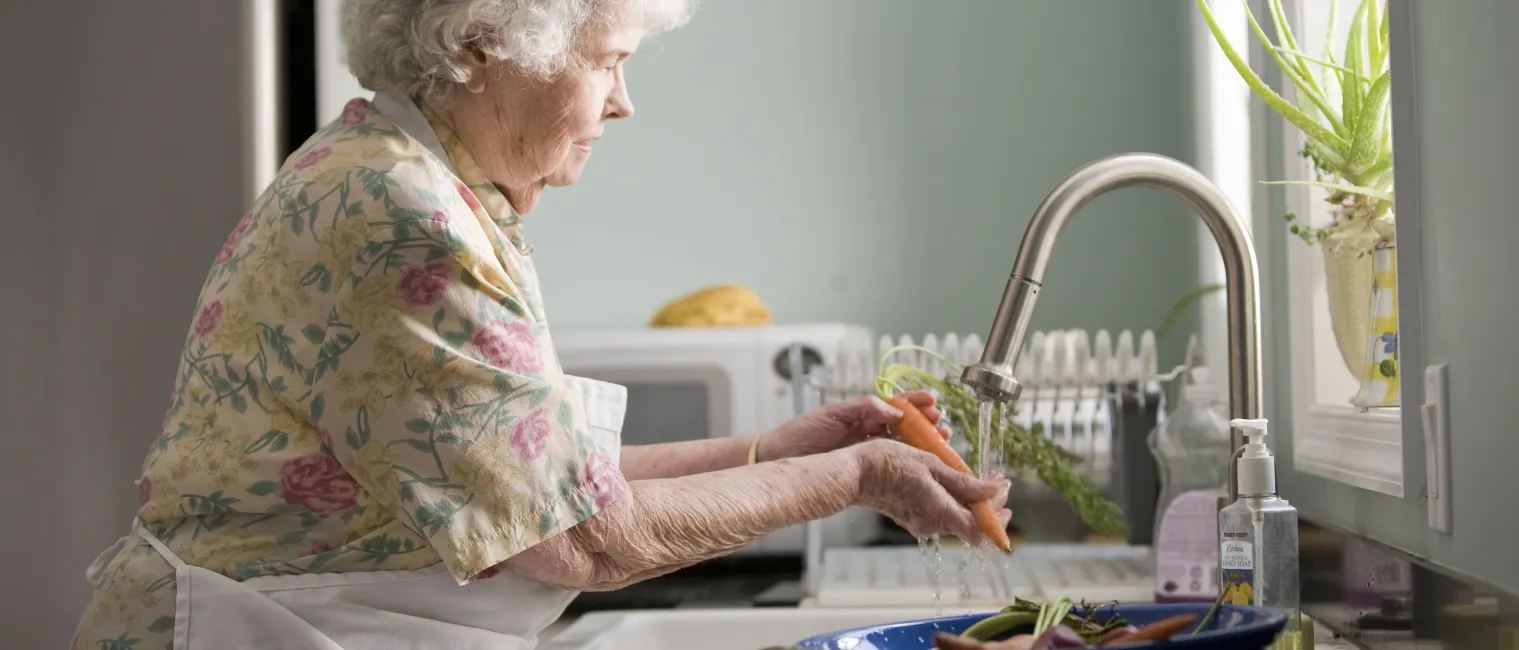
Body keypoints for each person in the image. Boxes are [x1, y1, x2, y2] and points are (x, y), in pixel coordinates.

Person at [72, 1, 1011, 647]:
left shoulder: (412, 178)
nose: (623, 101)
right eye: (607, 61)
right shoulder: (402, 215)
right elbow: (586, 538)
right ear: (482, 45)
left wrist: (775, 449)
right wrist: (852, 474)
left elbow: (537, 485)